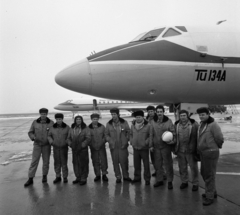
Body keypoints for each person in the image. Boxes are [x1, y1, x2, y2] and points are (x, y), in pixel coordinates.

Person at [197, 107, 224, 206]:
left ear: (208, 114)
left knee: (209, 175)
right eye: (200, 115)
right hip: (203, 153)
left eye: (203, 114)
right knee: (204, 173)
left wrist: (215, 147)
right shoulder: (202, 124)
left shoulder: (213, 125)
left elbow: (219, 138)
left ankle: (209, 196)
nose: (201, 116)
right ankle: (212, 191)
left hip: (211, 152)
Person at [24, 108, 54, 187]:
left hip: (46, 145)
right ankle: (30, 178)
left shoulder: (51, 123)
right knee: (34, 161)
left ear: (47, 114)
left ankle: (44, 176)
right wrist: (33, 137)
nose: (43, 115)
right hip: (37, 145)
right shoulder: (35, 122)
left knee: (46, 162)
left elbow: (53, 134)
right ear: (40, 114)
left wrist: (52, 141)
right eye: (42, 114)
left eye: (44, 114)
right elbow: (30, 132)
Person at [151, 105, 175, 189]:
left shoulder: (168, 121)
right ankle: (159, 180)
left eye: (161, 112)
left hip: (166, 147)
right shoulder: (153, 121)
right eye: (158, 112)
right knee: (158, 165)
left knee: (168, 164)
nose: (159, 113)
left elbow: (173, 132)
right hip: (156, 147)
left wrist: (172, 141)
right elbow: (151, 134)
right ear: (156, 112)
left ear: (163, 112)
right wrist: (151, 145)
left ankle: (170, 181)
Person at [105, 108, 132, 183]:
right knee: (115, 162)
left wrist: (126, 140)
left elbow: (128, 132)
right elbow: (106, 134)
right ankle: (118, 177)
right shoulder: (109, 124)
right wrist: (110, 140)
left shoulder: (124, 122)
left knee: (124, 162)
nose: (113, 116)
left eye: (114, 114)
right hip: (114, 147)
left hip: (122, 146)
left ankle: (126, 176)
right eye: (112, 114)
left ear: (118, 114)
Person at [174, 110, 199, 191]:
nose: (183, 117)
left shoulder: (194, 124)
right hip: (180, 150)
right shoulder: (176, 125)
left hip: (191, 151)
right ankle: (184, 181)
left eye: (184, 115)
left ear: (187, 116)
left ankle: (195, 183)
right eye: (181, 116)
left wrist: (197, 149)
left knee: (193, 168)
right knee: (182, 168)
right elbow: (175, 137)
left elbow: (198, 137)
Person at [67, 115, 91, 185]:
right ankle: (78, 177)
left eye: (80, 119)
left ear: (82, 120)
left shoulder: (85, 128)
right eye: (77, 119)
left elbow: (88, 138)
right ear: (75, 120)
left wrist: (82, 145)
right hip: (74, 149)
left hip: (83, 149)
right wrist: (71, 144)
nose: (78, 120)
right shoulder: (72, 128)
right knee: (75, 163)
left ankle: (83, 178)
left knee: (83, 164)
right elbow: (68, 138)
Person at [130, 110, 152, 185]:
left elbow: (150, 135)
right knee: (136, 165)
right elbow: (130, 134)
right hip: (135, 148)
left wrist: (146, 142)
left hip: (144, 148)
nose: (138, 118)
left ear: (143, 117)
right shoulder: (133, 125)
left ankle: (147, 179)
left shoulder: (148, 125)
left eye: (139, 117)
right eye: (136, 117)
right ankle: (137, 178)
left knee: (146, 165)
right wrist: (131, 141)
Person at [48, 113, 70, 184]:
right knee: (57, 162)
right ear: (55, 119)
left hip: (64, 148)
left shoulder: (67, 127)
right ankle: (58, 176)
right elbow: (49, 136)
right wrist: (52, 142)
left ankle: (65, 177)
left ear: (62, 119)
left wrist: (66, 142)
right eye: (57, 119)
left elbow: (69, 137)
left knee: (64, 162)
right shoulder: (52, 127)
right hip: (56, 147)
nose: (58, 120)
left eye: (60, 119)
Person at [146, 105, 166, 179]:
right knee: (153, 158)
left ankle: (163, 173)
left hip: (158, 141)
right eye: (149, 111)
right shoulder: (147, 119)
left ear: (154, 111)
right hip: (151, 141)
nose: (150, 113)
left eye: (152, 111)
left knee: (160, 159)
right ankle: (157, 171)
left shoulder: (157, 118)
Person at [88, 113, 108, 182]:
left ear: (98, 119)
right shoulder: (88, 128)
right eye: (94, 119)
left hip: (101, 147)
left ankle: (104, 174)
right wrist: (91, 144)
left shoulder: (102, 127)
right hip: (93, 148)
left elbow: (105, 135)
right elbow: (87, 138)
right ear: (91, 119)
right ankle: (97, 175)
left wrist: (103, 141)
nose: (95, 120)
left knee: (103, 161)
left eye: (96, 119)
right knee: (95, 161)